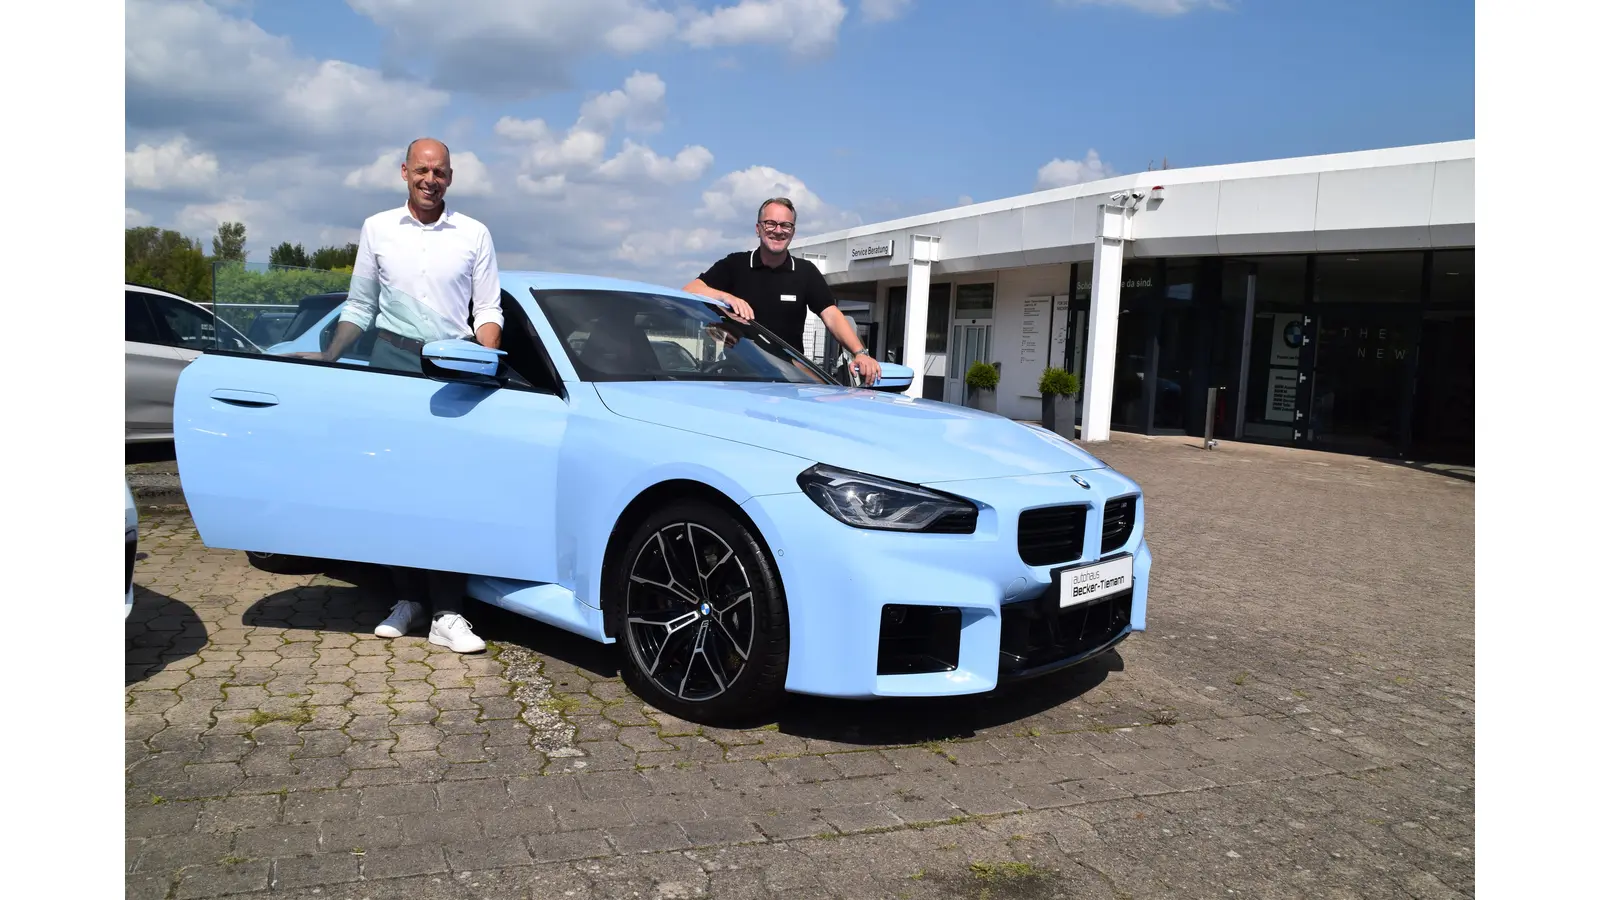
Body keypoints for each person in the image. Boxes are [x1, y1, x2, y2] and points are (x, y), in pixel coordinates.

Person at [313, 137, 503, 653]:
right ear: (404, 172)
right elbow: (360, 305)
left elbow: (487, 310)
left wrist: (485, 363)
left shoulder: (474, 234)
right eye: (421, 170)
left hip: (452, 366)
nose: (430, 179)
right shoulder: (377, 229)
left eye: (439, 172)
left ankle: (448, 613)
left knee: (447, 491)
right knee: (394, 487)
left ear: (450, 177)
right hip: (391, 363)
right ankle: (408, 600)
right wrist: (330, 357)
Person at [683, 197, 882, 385]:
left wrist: (860, 353)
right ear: (758, 228)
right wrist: (726, 297)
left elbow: (831, 314)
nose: (778, 231)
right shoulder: (735, 265)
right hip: (739, 378)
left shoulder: (805, 272)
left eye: (785, 225)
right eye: (770, 223)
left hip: (790, 379)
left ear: (793, 232)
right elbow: (691, 289)